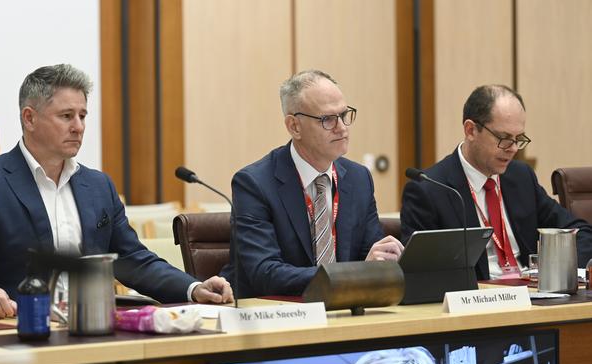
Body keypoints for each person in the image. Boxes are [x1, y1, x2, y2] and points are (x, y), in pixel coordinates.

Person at [0, 64, 233, 319]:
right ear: (29, 118)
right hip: (19, 329)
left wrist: (193, 287)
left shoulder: (97, 186)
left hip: (94, 328)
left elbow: (134, 260)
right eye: (67, 116)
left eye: (83, 115)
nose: (79, 127)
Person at [219, 70, 404, 297]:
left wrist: (383, 261)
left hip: (344, 311)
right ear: (294, 126)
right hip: (277, 312)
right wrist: (348, 273)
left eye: (344, 115)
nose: (342, 128)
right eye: (327, 119)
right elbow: (265, 273)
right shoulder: (254, 184)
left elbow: (369, 254)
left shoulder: (359, 179)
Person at [400, 84, 592, 280]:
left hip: (534, 296)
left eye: (518, 139)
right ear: (471, 130)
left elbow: (579, 232)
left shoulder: (521, 177)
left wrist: (560, 272)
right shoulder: (430, 190)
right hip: (479, 299)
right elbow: (420, 271)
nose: (513, 149)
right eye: (504, 138)